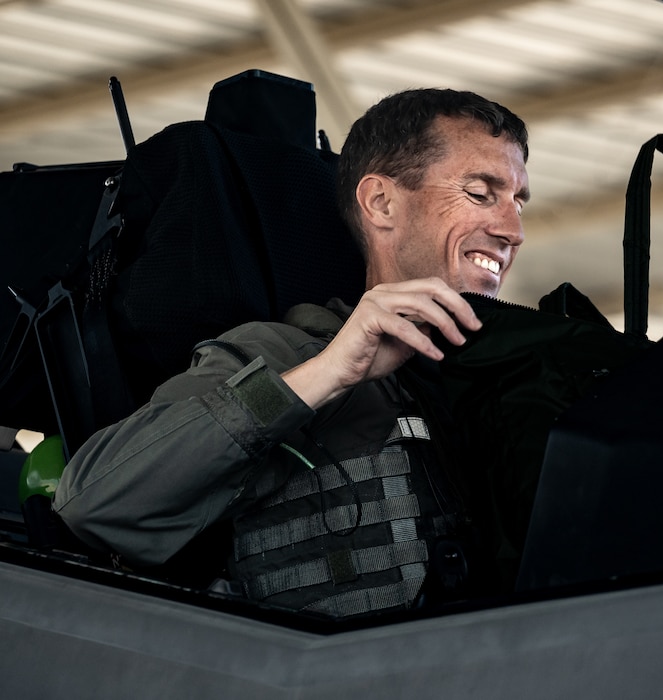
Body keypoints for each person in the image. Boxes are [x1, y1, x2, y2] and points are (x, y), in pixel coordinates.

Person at [53, 88, 531, 618]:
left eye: (516, 201)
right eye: (480, 193)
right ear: (381, 202)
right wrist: (325, 374)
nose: (513, 230)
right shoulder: (279, 352)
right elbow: (94, 499)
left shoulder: (506, 376)